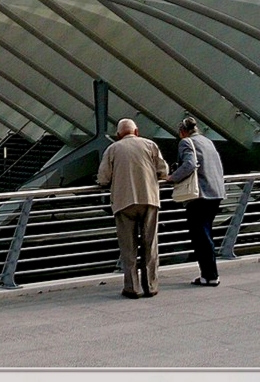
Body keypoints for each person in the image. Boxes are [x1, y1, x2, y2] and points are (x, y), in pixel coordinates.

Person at [97, 118, 168, 299]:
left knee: (128, 247)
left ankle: (132, 288)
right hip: (149, 199)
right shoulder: (150, 145)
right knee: (150, 244)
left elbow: (103, 178)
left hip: (124, 201)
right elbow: (163, 170)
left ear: (119, 134)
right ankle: (151, 286)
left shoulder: (112, 149)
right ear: (136, 132)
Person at [166, 115, 226, 286]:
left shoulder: (186, 142)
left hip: (200, 195)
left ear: (182, 131)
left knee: (201, 236)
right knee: (206, 233)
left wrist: (172, 178)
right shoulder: (207, 141)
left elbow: (190, 164)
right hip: (216, 192)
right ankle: (209, 274)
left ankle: (210, 275)